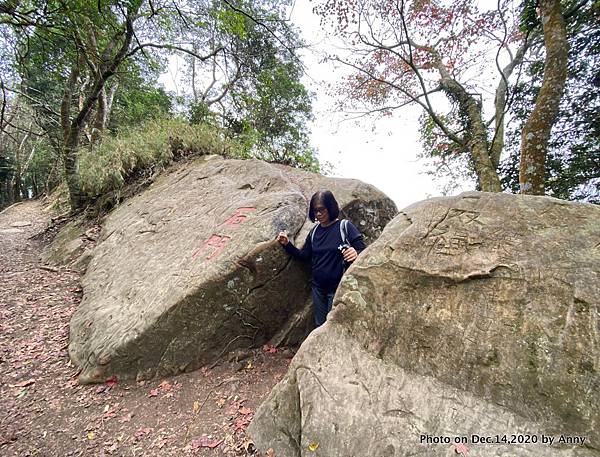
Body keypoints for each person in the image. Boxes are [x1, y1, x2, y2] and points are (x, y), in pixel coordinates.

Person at [277, 190, 366, 327]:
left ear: (330, 207)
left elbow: (364, 251)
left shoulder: (344, 227)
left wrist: (356, 252)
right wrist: (287, 244)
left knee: (332, 326)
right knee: (319, 324)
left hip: (338, 288)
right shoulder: (314, 232)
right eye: (315, 211)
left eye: (321, 210)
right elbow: (305, 256)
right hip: (318, 288)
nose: (318, 214)